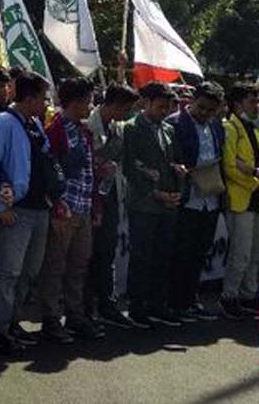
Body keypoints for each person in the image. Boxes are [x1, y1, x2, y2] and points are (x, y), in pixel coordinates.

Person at [0, 71, 64, 355]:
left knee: (29, 271)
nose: (46, 103)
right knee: (9, 272)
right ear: (29, 98)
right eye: (43, 98)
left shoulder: (34, 124)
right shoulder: (3, 124)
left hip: (39, 208)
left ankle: (13, 322)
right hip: (15, 210)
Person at [40, 78, 103, 342]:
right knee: (55, 266)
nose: (91, 106)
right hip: (64, 209)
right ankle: (51, 318)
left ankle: (75, 315)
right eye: (88, 101)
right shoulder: (55, 130)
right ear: (75, 102)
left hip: (84, 208)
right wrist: (56, 205)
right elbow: (49, 170)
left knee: (78, 265)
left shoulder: (84, 131)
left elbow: (89, 173)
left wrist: (95, 206)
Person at [122, 81, 186, 329]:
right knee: (142, 257)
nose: (164, 111)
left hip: (168, 204)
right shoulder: (131, 129)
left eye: (167, 107)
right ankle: (137, 307)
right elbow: (130, 167)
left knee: (163, 256)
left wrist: (178, 174)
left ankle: (157, 305)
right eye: (160, 106)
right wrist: (154, 193)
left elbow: (174, 161)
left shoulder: (168, 129)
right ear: (145, 103)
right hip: (144, 205)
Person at [166, 81, 225, 322]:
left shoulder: (218, 127)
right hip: (186, 197)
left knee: (200, 251)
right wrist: (182, 170)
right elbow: (167, 158)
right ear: (191, 101)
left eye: (211, 110)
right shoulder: (174, 123)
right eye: (201, 108)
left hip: (210, 199)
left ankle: (190, 299)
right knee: (181, 252)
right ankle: (175, 303)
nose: (205, 114)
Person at [86, 83, 140, 329]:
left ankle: (107, 305)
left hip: (112, 196)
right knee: (87, 256)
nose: (127, 113)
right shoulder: (88, 124)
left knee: (107, 253)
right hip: (88, 200)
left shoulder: (119, 128)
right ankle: (85, 309)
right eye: (125, 108)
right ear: (113, 104)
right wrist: (98, 169)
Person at [220, 83, 259, 319]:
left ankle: (249, 294)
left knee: (255, 253)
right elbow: (230, 167)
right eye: (251, 101)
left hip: (255, 198)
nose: (256, 106)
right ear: (237, 104)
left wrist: (252, 172)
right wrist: (254, 176)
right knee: (241, 253)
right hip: (240, 198)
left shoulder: (253, 128)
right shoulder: (230, 127)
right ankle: (229, 296)